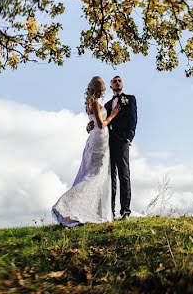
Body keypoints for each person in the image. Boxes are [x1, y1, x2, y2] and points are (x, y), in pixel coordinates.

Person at [51, 76, 120, 227]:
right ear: (95, 90)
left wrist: (88, 127)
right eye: (101, 91)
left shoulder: (89, 104)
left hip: (95, 138)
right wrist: (112, 115)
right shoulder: (95, 103)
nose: (103, 94)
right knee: (95, 175)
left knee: (92, 173)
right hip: (100, 140)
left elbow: (92, 124)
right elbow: (101, 125)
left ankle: (90, 210)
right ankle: (65, 204)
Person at [104, 75, 137, 219]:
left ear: (122, 84)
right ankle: (110, 211)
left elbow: (133, 119)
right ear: (110, 86)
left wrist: (128, 138)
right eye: (114, 81)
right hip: (108, 142)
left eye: (119, 81)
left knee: (124, 175)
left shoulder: (130, 99)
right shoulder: (106, 105)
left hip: (123, 141)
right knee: (111, 176)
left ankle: (125, 211)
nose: (117, 83)